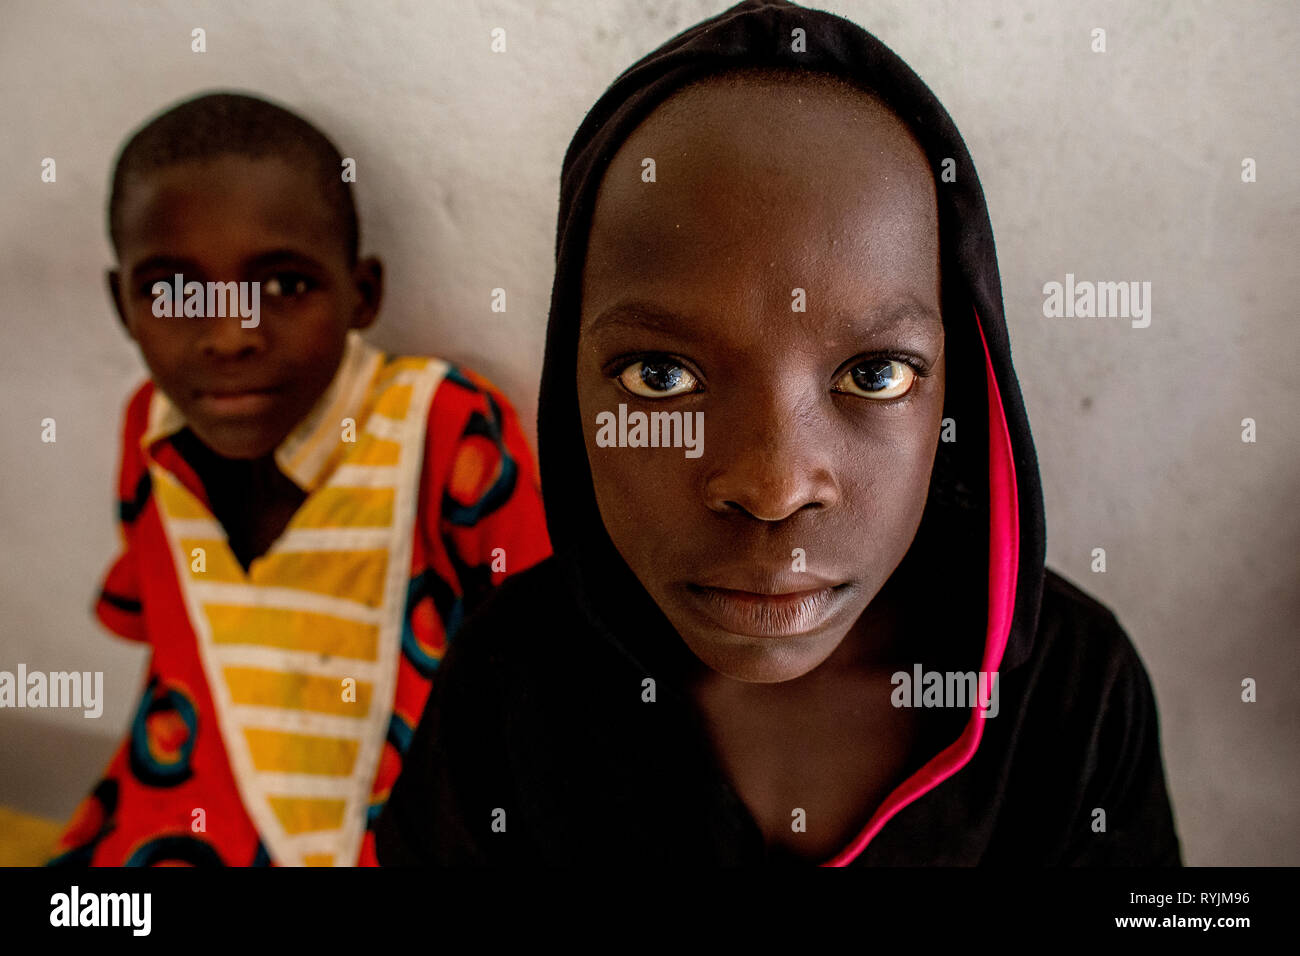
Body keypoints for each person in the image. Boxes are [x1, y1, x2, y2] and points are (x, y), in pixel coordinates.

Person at [376, 0, 1181, 865]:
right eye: (661, 378)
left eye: (875, 375)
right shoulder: (509, 682)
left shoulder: (1076, 693)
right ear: (572, 385)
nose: (773, 485)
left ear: (959, 393)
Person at [48, 92, 551, 866]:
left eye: (283, 286)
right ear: (123, 306)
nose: (229, 336)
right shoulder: (147, 433)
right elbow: (185, 643)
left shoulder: (443, 427)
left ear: (363, 294)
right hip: (194, 806)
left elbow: (539, 650)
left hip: (404, 822)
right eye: (174, 291)